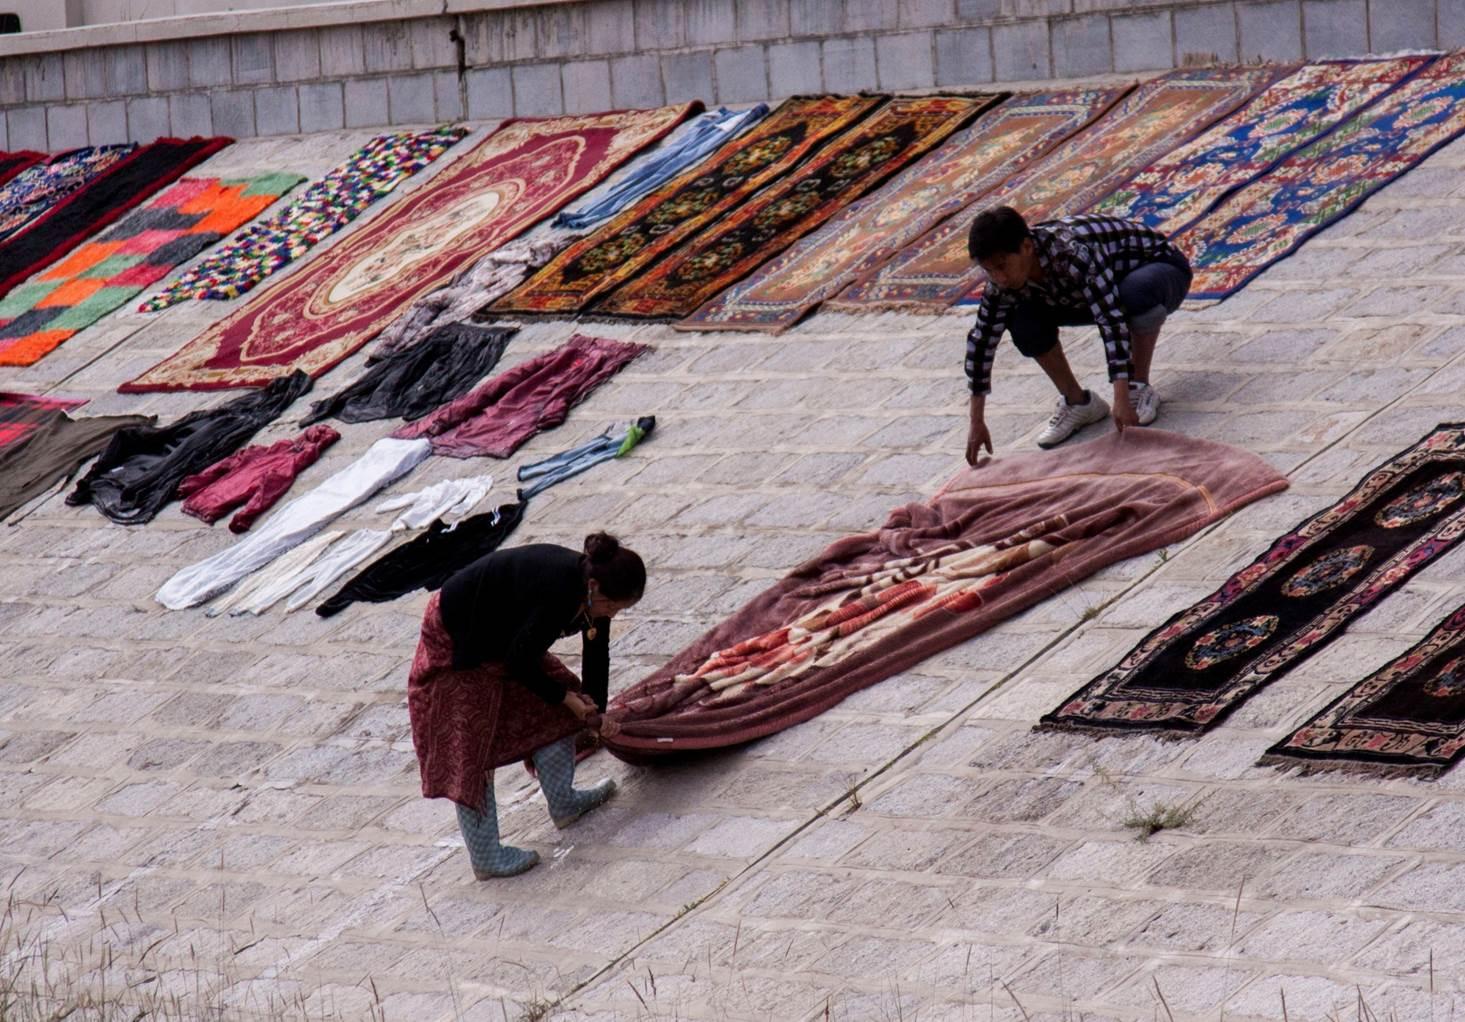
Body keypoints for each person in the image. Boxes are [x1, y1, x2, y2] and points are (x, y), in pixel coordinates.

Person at [406, 531, 645, 878]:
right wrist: (569, 700)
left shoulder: (594, 597)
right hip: (460, 638)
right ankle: (486, 856)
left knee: (559, 704)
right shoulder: (561, 592)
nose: (611, 614)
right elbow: (520, 662)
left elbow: (596, 652)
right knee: (471, 746)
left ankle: (564, 802)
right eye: (612, 606)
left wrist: (595, 712)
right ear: (593, 587)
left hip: (506, 637)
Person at [963, 207, 1193, 460]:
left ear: (1027, 247)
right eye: (990, 271)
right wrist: (976, 422)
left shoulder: (1071, 253)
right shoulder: (1000, 283)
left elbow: (1110, 319)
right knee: (1022, 320)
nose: (999, 278)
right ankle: (1078, 403)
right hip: (1090, 292)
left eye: (1002, 266)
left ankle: (1138, 386)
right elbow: (982, 341)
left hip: (1159, 270)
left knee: (1133, 295)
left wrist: (1122, 396)